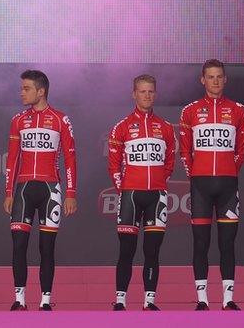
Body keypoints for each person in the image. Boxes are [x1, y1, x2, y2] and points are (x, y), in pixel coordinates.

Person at [4, 70, 77, 311]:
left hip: (50, 189)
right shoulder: (18, 120)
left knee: (47, 247)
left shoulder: (60, 119)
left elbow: (70, 158)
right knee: (18, 246)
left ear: (41, 91)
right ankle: (20, 299)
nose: (21, 92)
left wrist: (70, 193)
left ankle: (45, 300)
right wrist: (8, 192)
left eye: (26, 88)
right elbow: (13, 158)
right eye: (21, 88)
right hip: (24, 189)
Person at [179, 59, 244, 311]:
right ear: (202, 80)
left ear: (225, 79)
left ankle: (228, 298)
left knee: (227, 243)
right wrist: (196, 174)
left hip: (228, 186)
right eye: (210, 77)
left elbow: (241, 149)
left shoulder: (239, 110)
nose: (215, 81)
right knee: (200, 242)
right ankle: (202, 299)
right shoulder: (190, 111)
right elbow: (185, 151)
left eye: (219, 76)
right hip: (200, 186)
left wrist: (229, 171)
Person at [108, 74, 175, 311]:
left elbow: (169, 163)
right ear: (134, 94)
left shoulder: (166, 128)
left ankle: (149, 301)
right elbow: (114, 165)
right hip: (130, 196)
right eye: (142, 91)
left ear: (155, 94)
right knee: (126, 250)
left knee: (152, 252)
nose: (147, 96)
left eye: (150, 92)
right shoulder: (122, 127)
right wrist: (124, 189)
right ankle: (120, 300)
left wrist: (157, 183)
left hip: (156, 196)